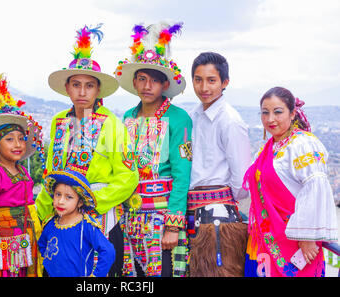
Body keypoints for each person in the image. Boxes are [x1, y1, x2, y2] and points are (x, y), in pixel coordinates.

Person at [35, 24, 139, 276]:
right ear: (67, 88)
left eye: (89, 85)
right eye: (76, 85)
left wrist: (89, 201)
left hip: (97, 219)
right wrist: (40, 209)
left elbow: (128, 177)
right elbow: (51, 170)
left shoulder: (112, 125)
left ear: (98, 90)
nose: (82, 92)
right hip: (60, 217)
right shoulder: (59, 121)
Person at [114, 22, 192, 277]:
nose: (148, 86)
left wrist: (173, 224)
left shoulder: (179, 119)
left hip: (161, 218)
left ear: (164, 85)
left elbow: (182, 175)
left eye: (155, 81)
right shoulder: (127, 116)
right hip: (129, 217)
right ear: (135, 82)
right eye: (142, 79)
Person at [243, 86, 338, 277]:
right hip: (266, 238)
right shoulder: (270, 147)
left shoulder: (303, 144)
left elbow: (315, 189)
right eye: (265, 113)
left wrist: (307, 236)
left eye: (278, 112)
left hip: (296, 243)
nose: (270, 119)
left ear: (293, 113)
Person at [186, 52, 251, 276]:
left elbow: (242, 182)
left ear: (225, 83)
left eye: (211, 80)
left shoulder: (230, 121)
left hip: (219, 221)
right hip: (191, 215)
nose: (204, 87)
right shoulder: (192, 116)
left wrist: (220, 198)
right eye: (198, 79)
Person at [0, 74, 44, 277]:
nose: (18, 144)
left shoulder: (22, 170)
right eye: (9, 139)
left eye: (22, 139)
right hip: (4, 238)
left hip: (25, 235)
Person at [38, 170, 116, 277]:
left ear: (80, 202)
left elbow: (108, 251)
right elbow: (42, 246)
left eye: (68, 197)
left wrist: (97, 275)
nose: (60, 201)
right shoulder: (50, 224)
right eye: (58, 194)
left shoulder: (87, 226)